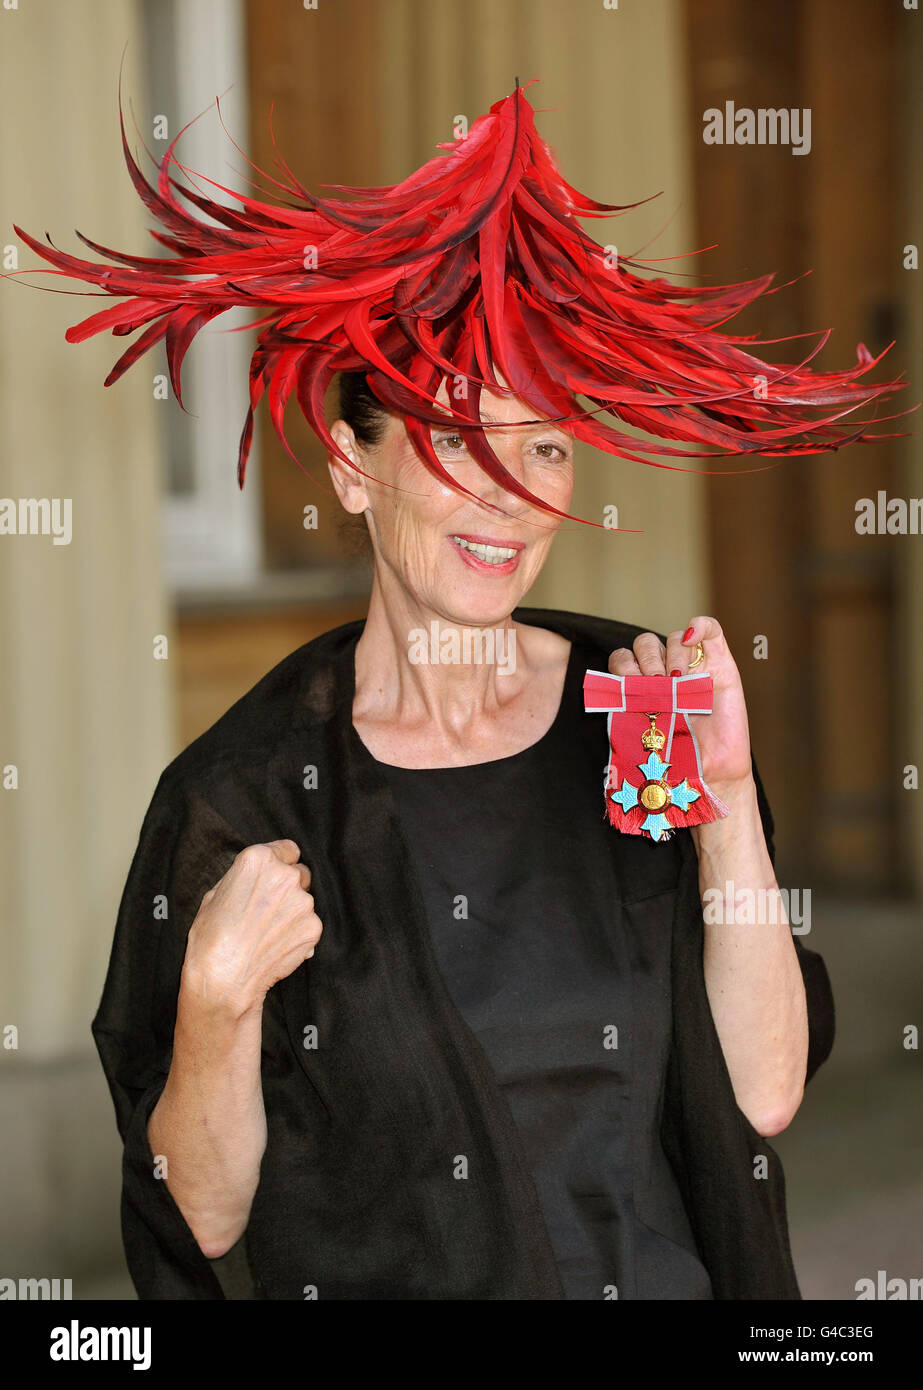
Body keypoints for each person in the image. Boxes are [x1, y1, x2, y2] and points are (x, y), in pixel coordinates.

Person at [15, 78, 899, 1299]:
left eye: (541, 444)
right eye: (453, 437)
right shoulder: (247, 795)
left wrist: (729, 809)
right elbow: (202, 1219)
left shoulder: (632, 715)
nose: (508, 493)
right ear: (352, 466)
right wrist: (215, 1002)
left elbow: (764, 1089)